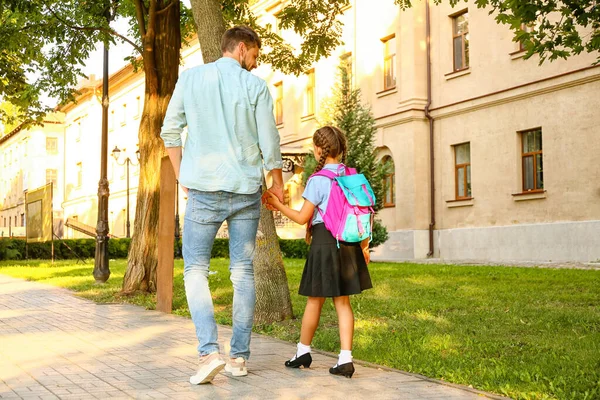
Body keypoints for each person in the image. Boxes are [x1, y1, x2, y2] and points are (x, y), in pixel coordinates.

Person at [160, 25, 284, 385]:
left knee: (195, 269)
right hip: (245, 190)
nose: (255, 64)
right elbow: (269, 140)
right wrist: (276, 181)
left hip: (203, 189)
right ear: (242, 49)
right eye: (255, 57)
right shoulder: (256, 87)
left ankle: (209, 352)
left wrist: (183, 175)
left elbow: (170, 131)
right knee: (242, 271)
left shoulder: (191, 78)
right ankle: (239, 358)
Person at [263, 126, 372, 379]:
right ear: (341, 149)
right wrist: (364, 247)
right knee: (343, 302)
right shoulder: (351, 176)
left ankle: (303, 351)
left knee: (315, 299)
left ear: (319, 149)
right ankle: (345, 359)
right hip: (349, 242)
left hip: (325, 242)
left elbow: (303, 218)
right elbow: (363, 211)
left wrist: (278, 204)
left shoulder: (319, 180)